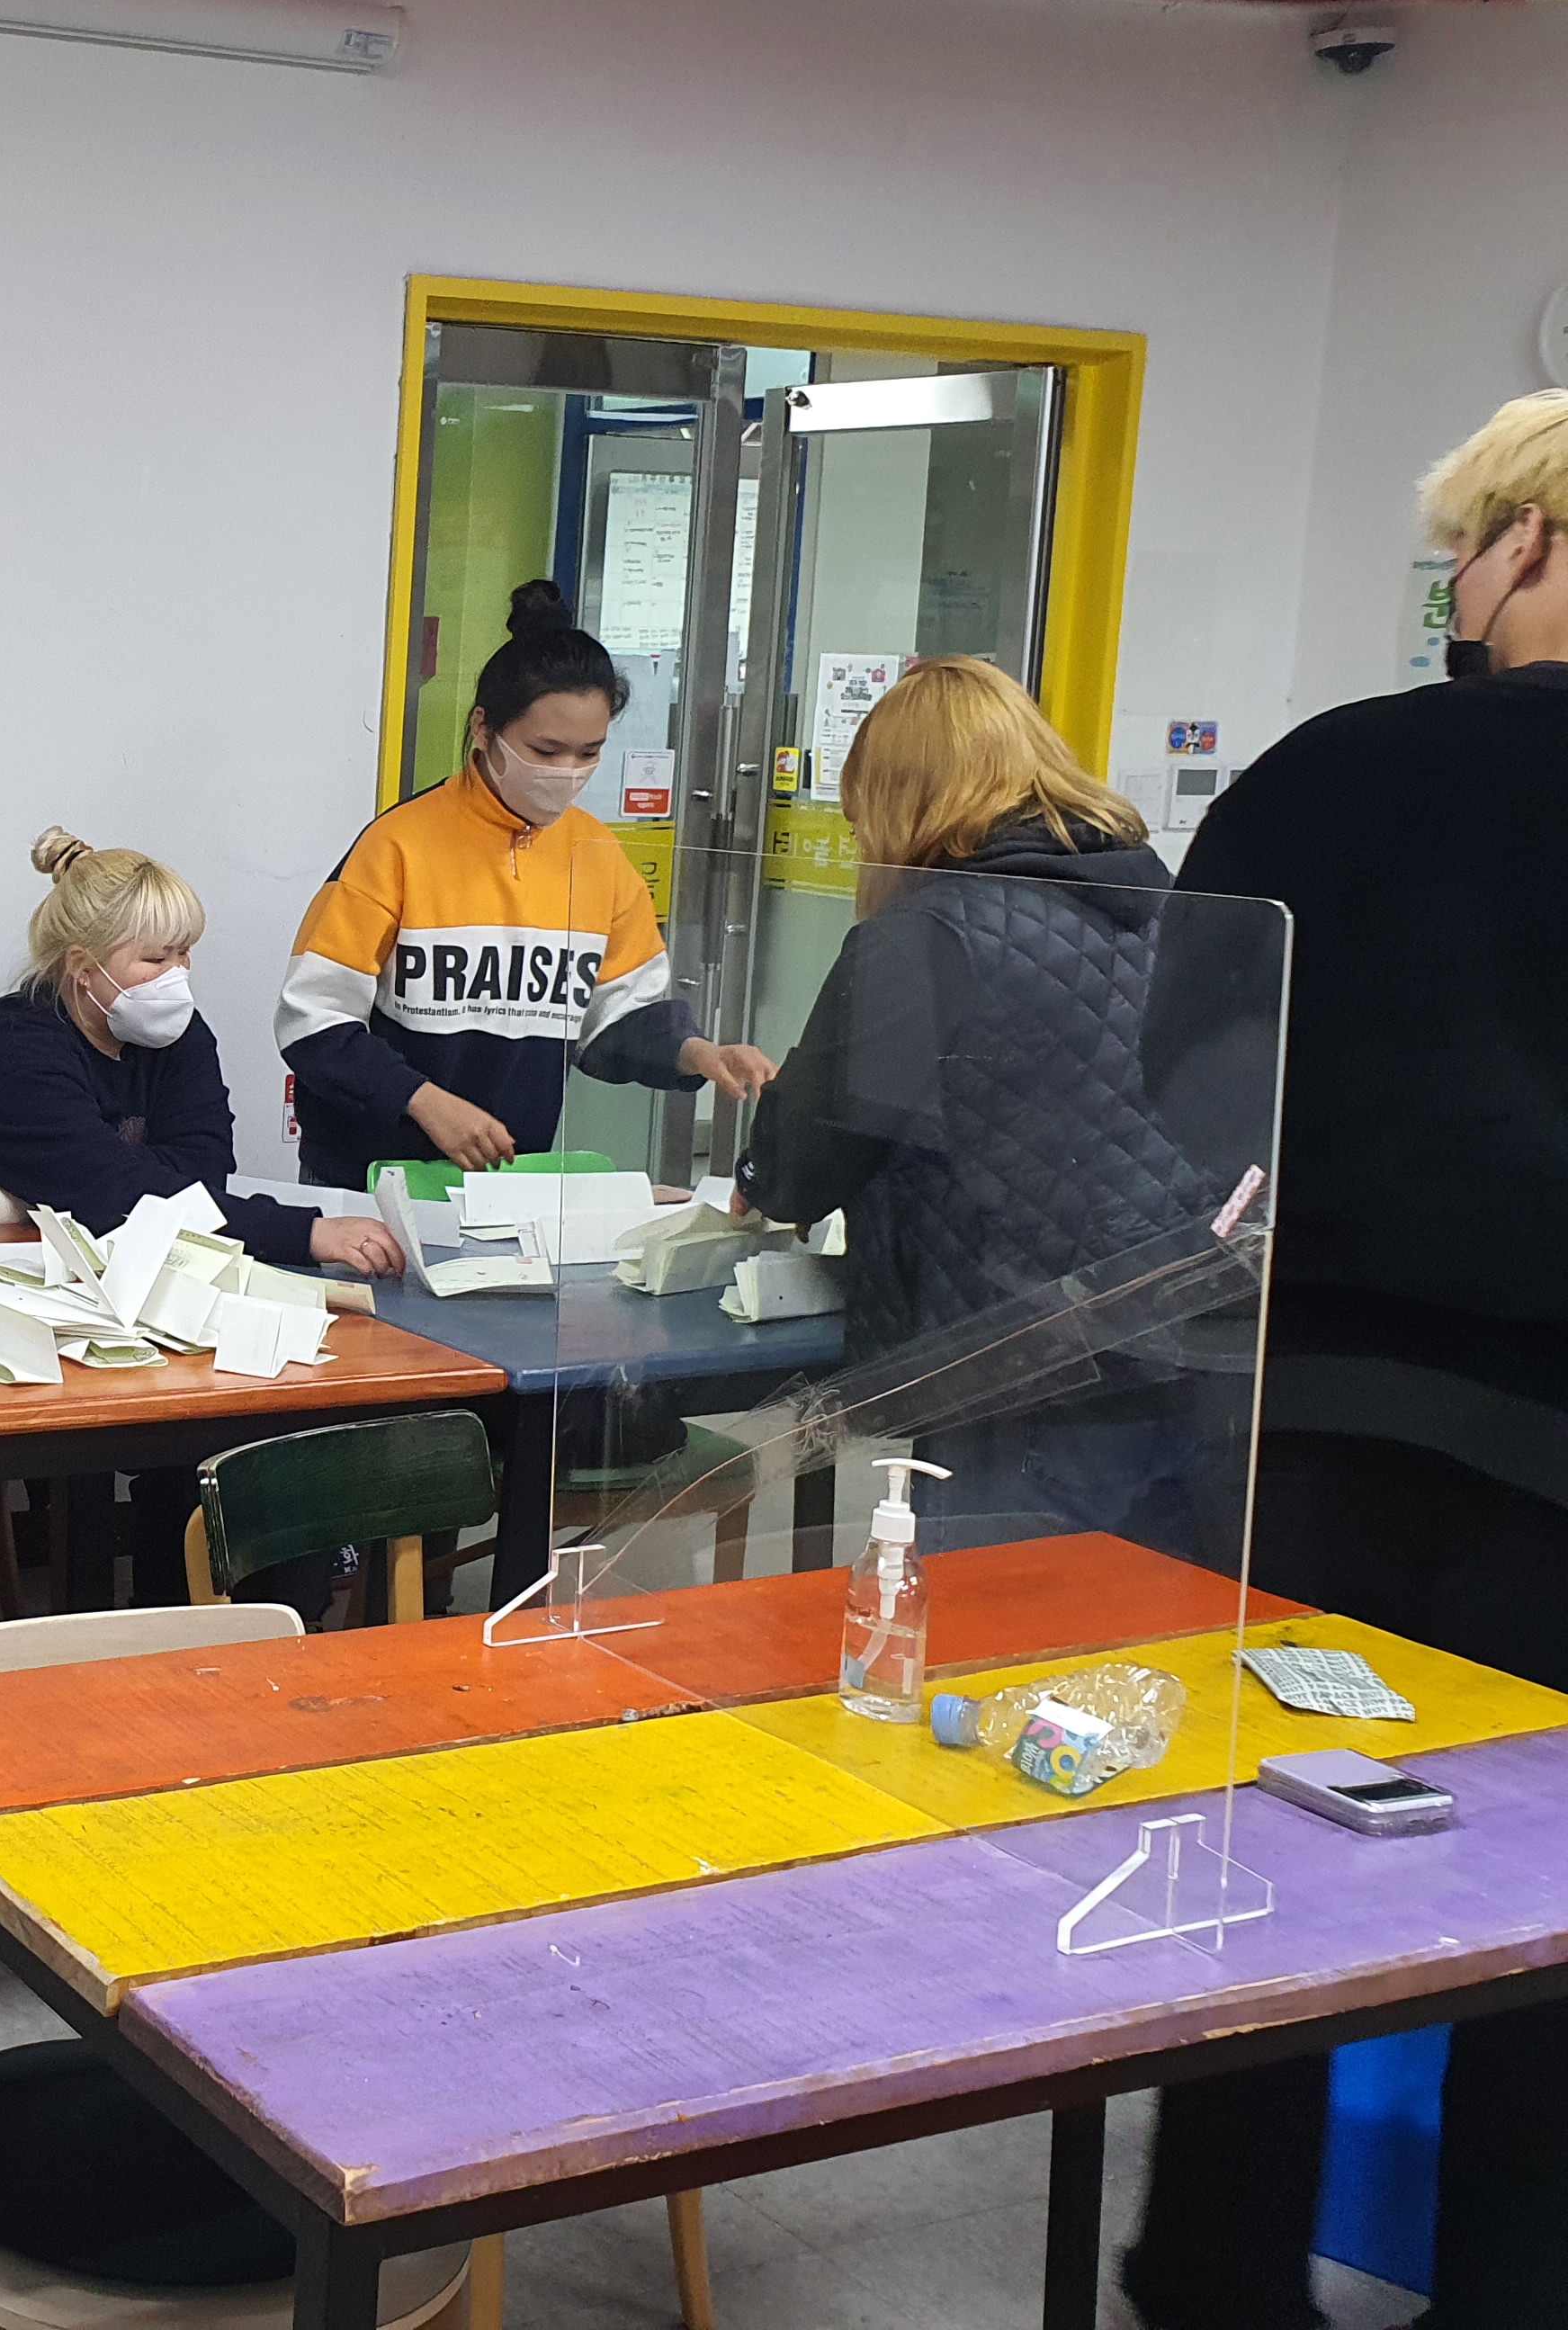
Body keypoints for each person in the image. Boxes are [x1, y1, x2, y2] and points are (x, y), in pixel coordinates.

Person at [1121, 395, 1568, 2330]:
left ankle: (1213, 2270)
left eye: (1463, 547)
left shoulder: (1338, 768)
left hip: (1320, 1422)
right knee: (1548, 1912)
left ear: (1523, 541)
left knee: (1278, 1869)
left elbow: (1184, 1072)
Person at [0, 829, 405, 1641]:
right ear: (83, 965)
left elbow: (197, 1181)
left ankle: (186, 1634)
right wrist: (308, 1232)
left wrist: (22, 1198)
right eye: (155, 959)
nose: (178, 978)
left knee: (228, 1417)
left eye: (185, 955)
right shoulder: (16, 1054)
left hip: (78, 1284)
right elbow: (127, 1203)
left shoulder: (175, 1035)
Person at [735, 656, 1226, 1559]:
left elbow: (803, 1170)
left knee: (997, 1635)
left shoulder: (927, 936)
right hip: (1184, 1355)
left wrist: (772, 1130)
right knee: (1148, 1632)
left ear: (898, 803)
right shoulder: (1163, 905)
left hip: (1020, 1376)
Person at [278, 581, 772, 1193]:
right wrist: (421, 1100)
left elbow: (615, 1017)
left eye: (588, 753)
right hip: (369, 1178)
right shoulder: (396, 847)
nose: (567, 772)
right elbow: (314, 1020)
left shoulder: (596, 856)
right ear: (484, 729)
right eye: (546, 750)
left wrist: (697, 1053)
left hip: (511, 1179)